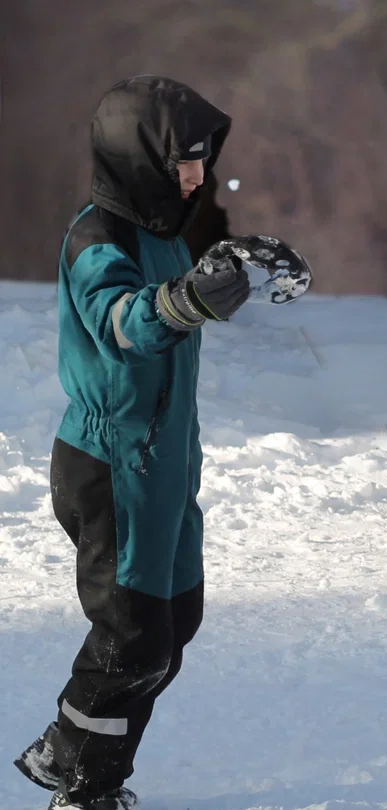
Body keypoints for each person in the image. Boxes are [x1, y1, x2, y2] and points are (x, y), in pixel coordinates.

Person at [13, 76, 251, 809]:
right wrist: (186, 301)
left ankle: (74, 755)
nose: (198, 175)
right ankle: (82, 782)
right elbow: (122, 321)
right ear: (139, 156)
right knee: (133, 637)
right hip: (111, 463)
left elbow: (179, 300)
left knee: (174, 623)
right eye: (184, 160)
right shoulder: (97, 239)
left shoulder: (164, 237)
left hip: (163, 461)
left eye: (203, 160)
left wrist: (242, 268)